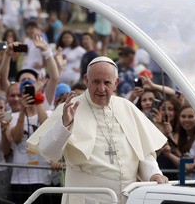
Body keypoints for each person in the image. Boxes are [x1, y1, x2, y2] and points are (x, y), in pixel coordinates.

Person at [27, 57, 168, 204]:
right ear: (86, 80)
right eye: (96, 82)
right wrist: (64, 125)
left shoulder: (127, 107)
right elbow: (49, 152)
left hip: (127, 199)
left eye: (107, 82)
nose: (101, 88)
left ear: (116, 83)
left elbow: (143, 152)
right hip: (86, 200)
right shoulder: (69, 108)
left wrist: (154, 174)